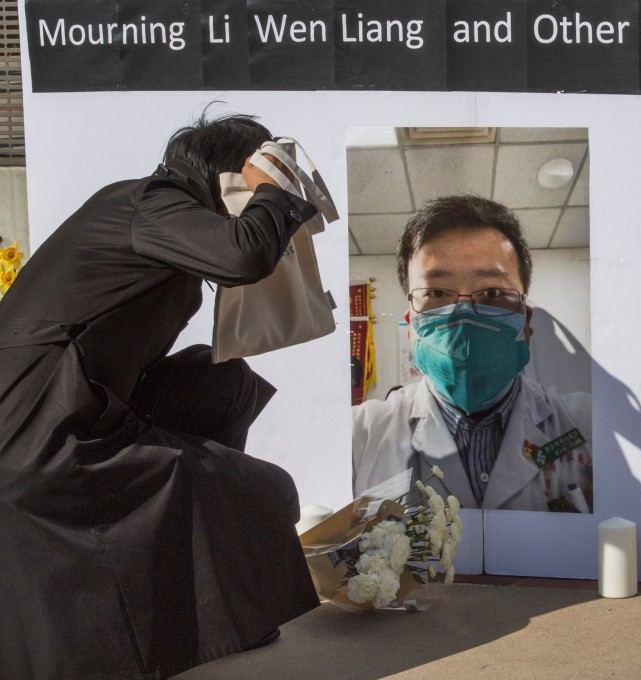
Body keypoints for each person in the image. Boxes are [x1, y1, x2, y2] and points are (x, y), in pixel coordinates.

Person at [0, 113, 322, 680]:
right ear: (234, 174)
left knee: (224, 383)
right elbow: (244, 254)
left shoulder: (158, 215)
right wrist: (275, 189)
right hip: (39, 428)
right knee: (267, 492)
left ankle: (217, 588)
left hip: (76, 404)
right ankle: (226, 603)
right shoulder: (152, 201)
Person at [352, 195, 593, 513]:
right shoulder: (361, 435)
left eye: (493, 292)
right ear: (411, 326)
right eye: (436, 293)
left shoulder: (589, 425)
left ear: (526, 322)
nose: (464, 315)